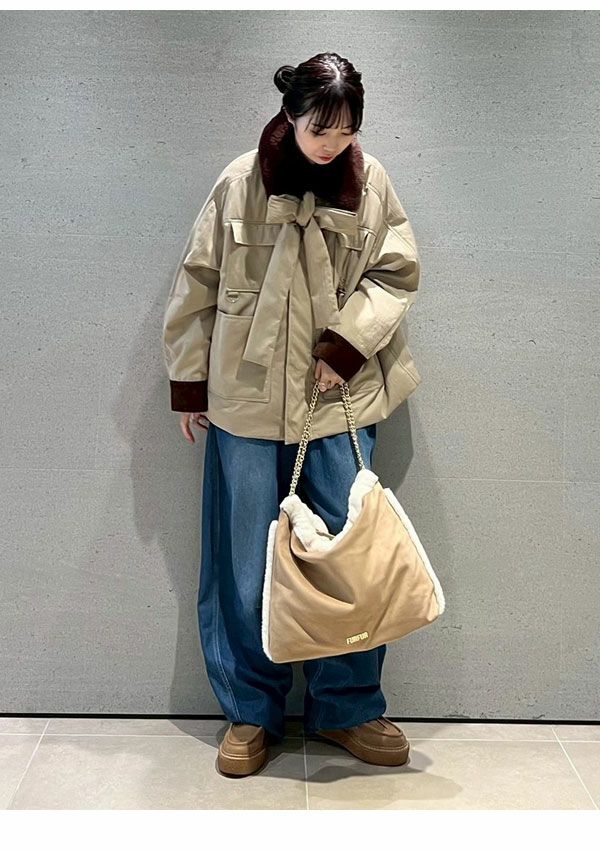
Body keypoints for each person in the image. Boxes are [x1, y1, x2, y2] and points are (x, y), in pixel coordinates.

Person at [162, 52, 422, 777]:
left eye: (346, 130)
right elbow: (198, 282)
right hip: (243, 405)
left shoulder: (371, 185)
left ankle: (349, 707)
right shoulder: (239, 182)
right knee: (245, 560)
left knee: (349, 555)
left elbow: (395, 273)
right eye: (319, 129)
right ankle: (251, 711)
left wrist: (345, 347)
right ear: (290, 114)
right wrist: (189, 383)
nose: (332, 143)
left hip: (338, 402)